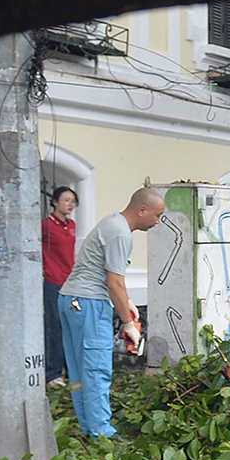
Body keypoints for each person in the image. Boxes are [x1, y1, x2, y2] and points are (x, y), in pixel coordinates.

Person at [58, 186, 167, 439]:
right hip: (90, 303)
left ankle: (89, 427)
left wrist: (126, 302)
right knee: (96, 370)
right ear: (142, 209)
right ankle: (102, 434)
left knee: (78, 371)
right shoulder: (121, 235)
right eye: (157, 215)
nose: (157, 222)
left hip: (70, 299)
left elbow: (108, 275)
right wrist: (128, 323)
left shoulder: (111, 222)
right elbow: (114, 282)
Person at [41, 185, 78, 386]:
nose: (69, 204)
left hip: (69, 281)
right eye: (65, 200)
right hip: (53, 280)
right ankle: (53, 373)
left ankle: (69, 370)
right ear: (55, 202)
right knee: (54, 326)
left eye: (72, 200)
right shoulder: (46, 225)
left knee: (70, 326)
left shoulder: (71, 225)